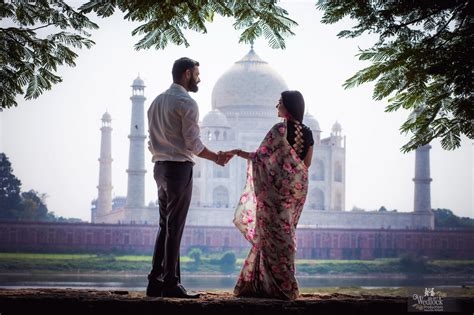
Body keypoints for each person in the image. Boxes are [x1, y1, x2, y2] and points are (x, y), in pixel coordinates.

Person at [146, 57, 232, 298]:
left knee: (165, 226)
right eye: (196, 74)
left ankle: (155, 282)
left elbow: (150, 142)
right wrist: (216, 158)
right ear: (186, 74)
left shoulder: (156, 102)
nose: (199, 79)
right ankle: (171, 283)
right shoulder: (186, 102)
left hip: (160, 168)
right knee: (174, 228)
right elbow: (194, 144)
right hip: (178, 169)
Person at [228, 90, 313, 300]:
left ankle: (266, 286)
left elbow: (260, 157)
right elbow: (306, 165)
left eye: (279, 103)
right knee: (286, 237)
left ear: (288, 107)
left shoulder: (279, 130)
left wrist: (238, 152)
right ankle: (284, 285)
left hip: (273, 196)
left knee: (269, 239)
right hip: (293, 194)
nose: (276, 107)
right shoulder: (308, 132)